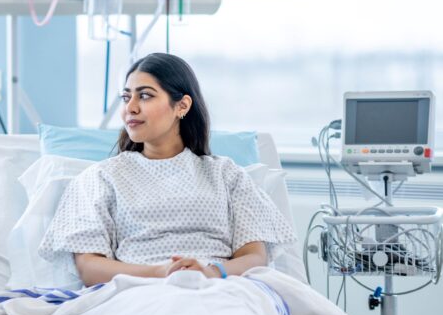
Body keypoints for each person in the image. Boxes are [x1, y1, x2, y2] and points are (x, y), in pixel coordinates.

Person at [38, 53, 296, 287]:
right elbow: (89, 267)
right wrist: (160, 273)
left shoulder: (227, 175)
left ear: (182, 106)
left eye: (145, 95)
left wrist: (210, 273)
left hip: (221, 289)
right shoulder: (100, 178)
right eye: (127, 97)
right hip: (136, 291)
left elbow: (254, 256)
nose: (131, 108)